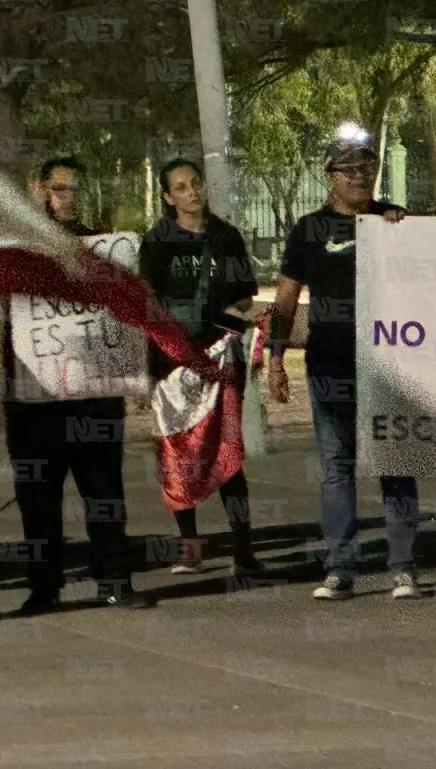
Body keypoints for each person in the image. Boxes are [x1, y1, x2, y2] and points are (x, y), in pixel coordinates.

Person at [268, 135, 425, 602]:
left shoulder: (393, 221)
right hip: (330, 365)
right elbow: (285, 300)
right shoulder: (309, 229)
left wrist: (404, 229)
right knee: (338, 468)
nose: (360, 178)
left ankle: (403, 568)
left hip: (387, 365)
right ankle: (340, 568)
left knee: (396, 463)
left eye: (367, 169)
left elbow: (429, 286)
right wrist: (275, 360)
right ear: (330, 177)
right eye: (349, 170)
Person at [4, 157, 154, 614]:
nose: (68, 198)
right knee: (38, 498)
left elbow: (126, 312)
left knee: (103, 492)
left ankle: (113, 580)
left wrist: (134, 371)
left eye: (74, 190)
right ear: (39, 189)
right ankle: (44, 587)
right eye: (58, 188)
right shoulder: (16, 247)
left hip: (93, 393)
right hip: (33, 395)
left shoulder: (100, 247)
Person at [139, 158, 265, 578]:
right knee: (179, 454)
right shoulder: (157, 241)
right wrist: (147, 369)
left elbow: (245, 294)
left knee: (227, 454)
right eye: (180, 187)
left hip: (220, 358)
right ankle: (189, 548)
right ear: (167, 196)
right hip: (172, 363)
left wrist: (235, 316)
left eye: (195, 183)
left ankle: (244, 550)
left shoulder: (225, 237)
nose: (191, 192)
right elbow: (148, 306)